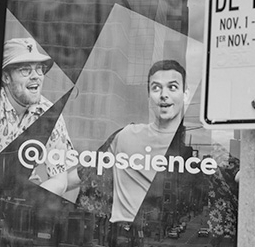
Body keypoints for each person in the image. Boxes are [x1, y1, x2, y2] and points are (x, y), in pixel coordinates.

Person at [75, 59, 189, 245]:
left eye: (172, 87)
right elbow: (81, 174)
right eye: (156, 88)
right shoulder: (126, 135)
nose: (163, 95)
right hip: (118, 235)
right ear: (148, 96)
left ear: (185, 95)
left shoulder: (187, 156)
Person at [0, 37, 76, 196]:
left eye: (39, 68)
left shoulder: (49, 114)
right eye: (25, 70)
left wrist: (28, 202)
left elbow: (60, 180)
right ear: (6, 77)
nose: (36, 76)